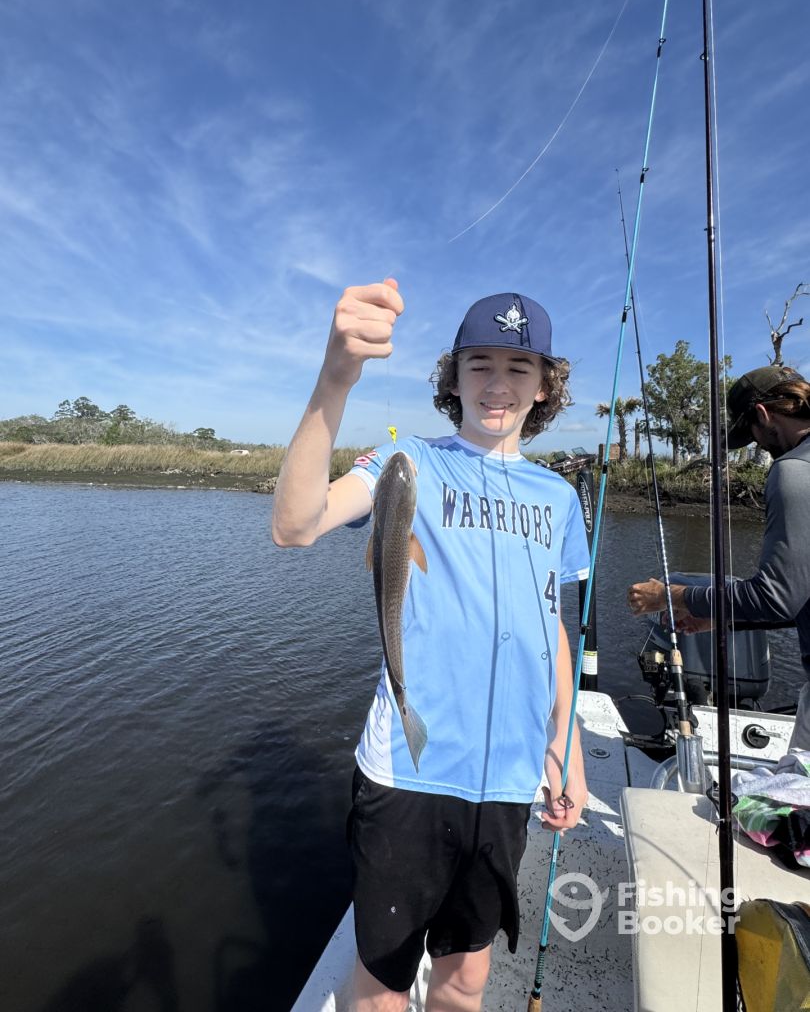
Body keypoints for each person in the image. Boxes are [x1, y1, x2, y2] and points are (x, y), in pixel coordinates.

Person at [272, 279, 590, 1012]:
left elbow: (551, 626)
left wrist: (565, 741)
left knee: (467, 977)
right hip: (410, 774)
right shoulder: (407, 460)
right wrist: (336, 378)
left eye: (518, 367)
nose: (497, 383)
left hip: (509, 779)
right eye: (479, 364)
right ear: (453, 378)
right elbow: (294, 525)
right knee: (383, 988)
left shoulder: (559, 498)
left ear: (545, 386)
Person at [627, 364, 810, 750]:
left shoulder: (793, 471)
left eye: (752, 433)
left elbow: (775, 596)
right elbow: (799, 596)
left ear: (763, 414)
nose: (759, 444)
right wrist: (720, 619)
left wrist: (671, 596)